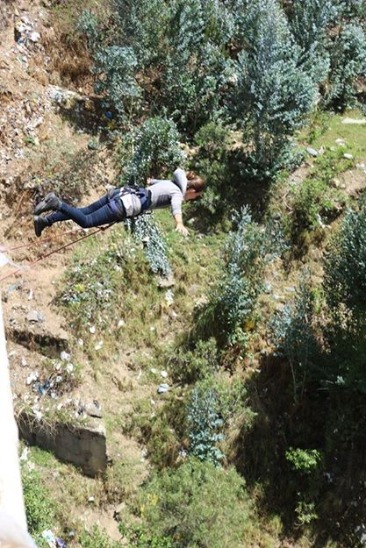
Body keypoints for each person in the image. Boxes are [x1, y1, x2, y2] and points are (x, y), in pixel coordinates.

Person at [33, 168, 205, 238]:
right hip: (125, 204)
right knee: (86, 221)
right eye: (195, 197)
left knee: (84, 211)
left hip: (120, 194)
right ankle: (56, 203)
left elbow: (151, 182)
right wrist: (179, 223)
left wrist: (151, 181)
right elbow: (176, 206)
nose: (192, 199)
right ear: (191, 191)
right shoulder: (177, 192)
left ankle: (45, 221)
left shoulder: (171, 184)